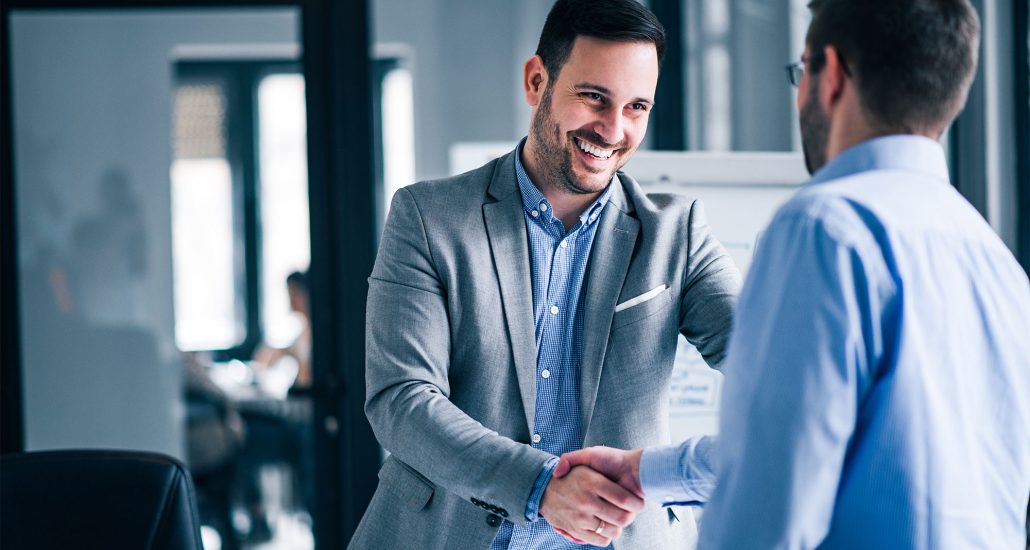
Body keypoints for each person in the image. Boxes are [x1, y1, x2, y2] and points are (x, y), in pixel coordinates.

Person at [555, 0, 1030, 547]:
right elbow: (801, 442)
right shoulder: (995, 262)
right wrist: (646, 472)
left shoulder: (826, 228)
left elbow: (770, 504)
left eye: (800, 71)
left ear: (830, 74)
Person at [350, 0, 741, 548]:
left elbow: (771, 364)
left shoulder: (676, 234)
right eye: (594, 97)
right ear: (537, 81)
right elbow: (402, 399)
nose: (613, 129)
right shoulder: (428, 217)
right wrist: (538, 487)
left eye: (636, 107)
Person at [253, 270, 312, 390]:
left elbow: (306, 378)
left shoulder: (318, 333)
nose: (291, 301)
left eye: (294, 294)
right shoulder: (303, 330)